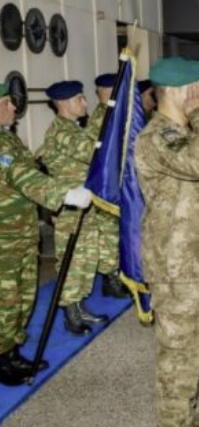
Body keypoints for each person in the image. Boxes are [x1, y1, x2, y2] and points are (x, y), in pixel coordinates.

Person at [134, 57, 199, 427]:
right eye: (196, 88)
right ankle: (174, 422)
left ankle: (184, 415)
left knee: (195, 347)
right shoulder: (158, 137)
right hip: (175, 266)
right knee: (177, 355)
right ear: (175, 91)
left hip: (196, 261)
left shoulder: (182, 134)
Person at [0, 83, 92, 385]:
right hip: (4, 238)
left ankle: (11, 352)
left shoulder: (7, 139)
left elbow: (31, 168)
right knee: (5, 301)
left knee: (23, 297)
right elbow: (21, 175)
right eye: (6, 103)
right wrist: (64, 194)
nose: (14, 107)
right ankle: (3, 360)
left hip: (21, 234)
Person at [37, 80, 110, 336]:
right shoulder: (62, 132)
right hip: (70, 208)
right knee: (72, 261)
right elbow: (95, 154)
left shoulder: (73, 128)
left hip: (84, 205)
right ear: (65, 103)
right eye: (80, 99)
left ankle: (79, 306)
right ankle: (70, 313)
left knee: (86, 258)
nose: (86, 103)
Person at [88, 72, 128, 299]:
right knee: (108, 232)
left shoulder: (112, 114)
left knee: (114, 231)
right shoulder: (103, 118)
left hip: (116, 181)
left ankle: (115, 274)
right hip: (107, 185)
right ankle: (110, 278)